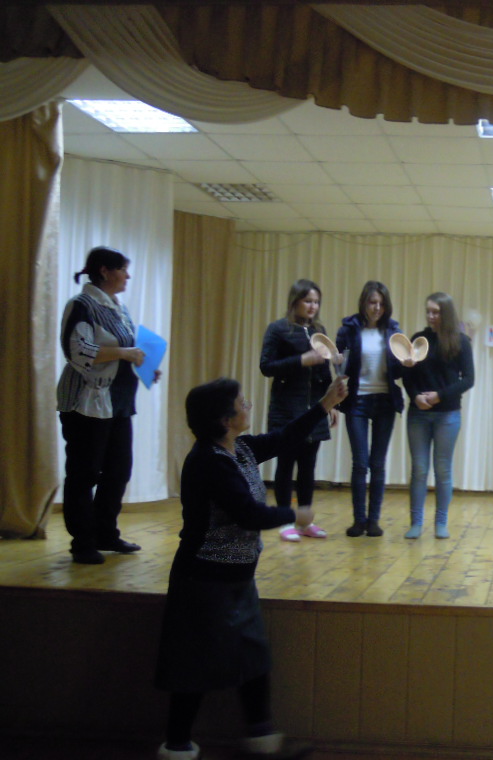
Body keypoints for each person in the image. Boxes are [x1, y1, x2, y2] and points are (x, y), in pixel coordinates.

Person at [154, 375, 346, 760]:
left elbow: (284, 438)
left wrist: (324, 405)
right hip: (203, 581)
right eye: (243, 403)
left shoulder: (238, 449)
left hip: (235, 579)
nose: (249, 406)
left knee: (253, 658)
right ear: (226, 420)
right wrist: (295, 514)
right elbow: (248, 513)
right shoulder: (209, 462)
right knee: (194, 666)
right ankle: (177, 745)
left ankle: (262, 738)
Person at [57, 246, 156, 565]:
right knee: (84, 474)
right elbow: (78, 352)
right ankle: (82, 542)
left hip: (118, 403)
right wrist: (125, 354)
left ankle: (105, 532)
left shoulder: (118, 307)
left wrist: (142, 363)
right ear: (104, 271)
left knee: (118, 471)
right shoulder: (81, 305)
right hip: (86, 403)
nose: (128, 276)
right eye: (123, 269)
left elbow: (122, 350)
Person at [259, 279, 338, 542]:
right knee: (285, 464)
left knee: (308, 467)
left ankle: (305, 522)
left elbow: (324, 370)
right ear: (295, 301)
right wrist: (301, 360)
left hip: (314, 407)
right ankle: (285, 521)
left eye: (316, 302)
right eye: (308, 301)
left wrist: (331, 403)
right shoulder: (278, 329)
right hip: (287, 409)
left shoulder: (319, 331)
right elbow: (266, 366)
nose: (312, 306)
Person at [400, 292, 474, 540]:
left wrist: (439, 396)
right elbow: (407, 376)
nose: (431, 316)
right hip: (418, 414)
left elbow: (469, 380)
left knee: (442, 470)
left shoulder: (461, 342)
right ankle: (416, 522)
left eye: (436, 312)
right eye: (428, 311)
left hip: (448, 415)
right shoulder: (418, 340)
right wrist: (415, 397)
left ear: (446, 313)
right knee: (419, 470)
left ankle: (441, 522)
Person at [335, 281, 405, 537]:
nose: (377, 308)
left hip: (385, 401)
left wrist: (407, 363)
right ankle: (359, 520)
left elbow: (398, 371)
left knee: (377, 464)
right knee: (360, 463)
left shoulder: (393, 331)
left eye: (381, 304)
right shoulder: (348, 329)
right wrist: (337, 363)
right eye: (372, 302)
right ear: (364, 303)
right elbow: (339, 366)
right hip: (357, 401)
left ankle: (374, 520)